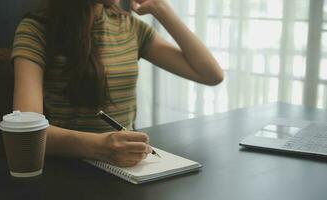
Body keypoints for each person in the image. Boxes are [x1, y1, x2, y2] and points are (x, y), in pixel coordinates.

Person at [12, 0, 223, 167]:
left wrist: (161, 7)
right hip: (68, 170)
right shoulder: (36, 29)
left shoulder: (129, 27)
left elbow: (211, 74)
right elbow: (26, 129)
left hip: (126, 168)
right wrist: (100, 146)